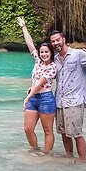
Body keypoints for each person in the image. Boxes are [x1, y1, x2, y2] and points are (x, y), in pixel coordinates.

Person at [49, 30, 86, 164]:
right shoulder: (55, 59)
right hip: (60, 101)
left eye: (58, 40)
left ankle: (82, 160)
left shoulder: (78, 54)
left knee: (76, 133)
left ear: (63, 39)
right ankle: (69, 156)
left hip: (75, 100)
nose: (56, 43)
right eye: (53, 41)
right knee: (63, 132)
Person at [18, 17, 57, 156]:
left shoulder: (53, 67)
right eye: (42, 52)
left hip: (46, 98)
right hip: (34, 99)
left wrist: (27, 97)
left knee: (48, 131)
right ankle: (35, 150)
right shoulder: (38, 61)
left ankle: (46, 155)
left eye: (47, 52)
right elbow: (29, 43)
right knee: (28, 128)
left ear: (51, 53)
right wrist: (23, 27)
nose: (44, 54)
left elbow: (40, 83)